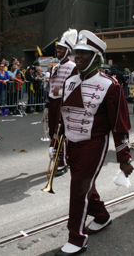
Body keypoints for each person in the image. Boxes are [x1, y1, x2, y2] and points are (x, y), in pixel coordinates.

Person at [53, 30, 133, 256]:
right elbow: (63, 116)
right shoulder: (70, 80)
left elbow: (119, 124)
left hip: (94, 145)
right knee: (85, 186)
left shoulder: (111, 85)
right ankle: (102, 216)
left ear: (96, 56)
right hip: (72, 143)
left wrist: (123, 157)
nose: (78, 56)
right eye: (77, 52)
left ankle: (77, 239)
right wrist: (56, 142)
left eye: (84, 53)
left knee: (79, 188)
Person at [47, 29, 78, 177]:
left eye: (61, 48)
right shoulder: (56, 66)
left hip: (64, 103)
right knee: (54, 130)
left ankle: (61, 163)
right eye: (57, 48)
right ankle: (66, 158)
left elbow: (76, 88)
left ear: (68, 51)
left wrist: (59, 93)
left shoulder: (73, 67)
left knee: (60, 132)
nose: (58, 50)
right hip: (53, 103)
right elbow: (51, 87)